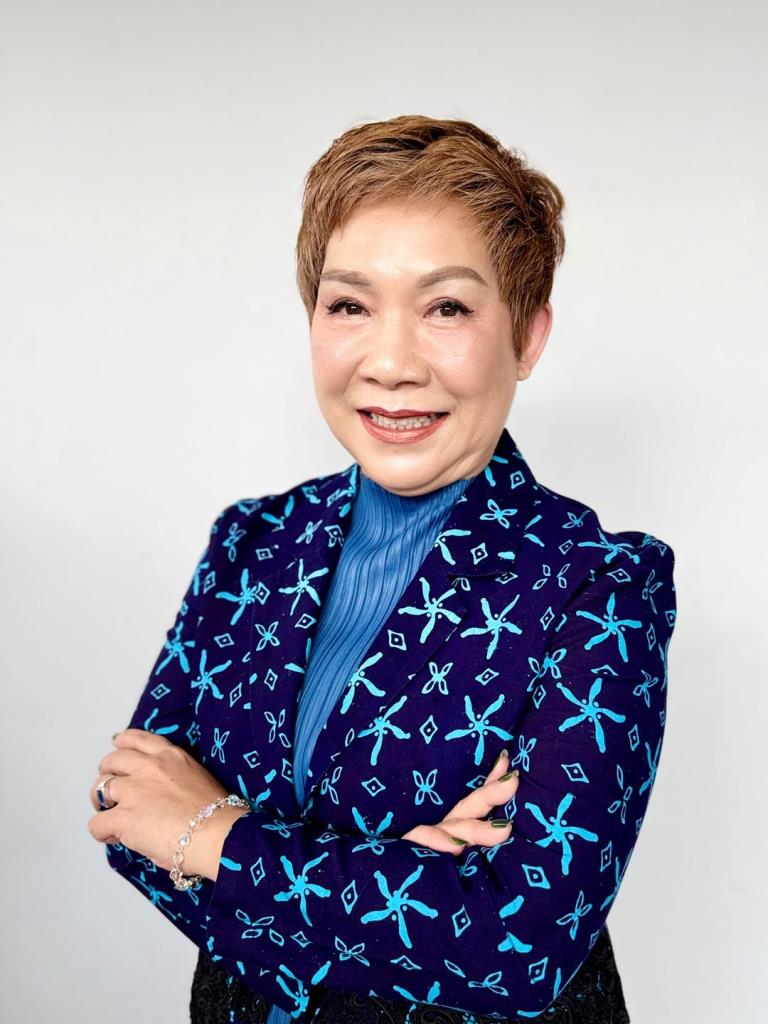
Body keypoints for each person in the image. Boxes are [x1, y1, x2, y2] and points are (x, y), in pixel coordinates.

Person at [88, 114, 677, 1023]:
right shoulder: (252, 542)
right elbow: (130, 813)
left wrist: (215, 836)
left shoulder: (596, 585)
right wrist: (398, 883)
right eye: (349, 306)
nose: (391, 363)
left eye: (447, 308)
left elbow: (516, 948)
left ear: (527, 336)